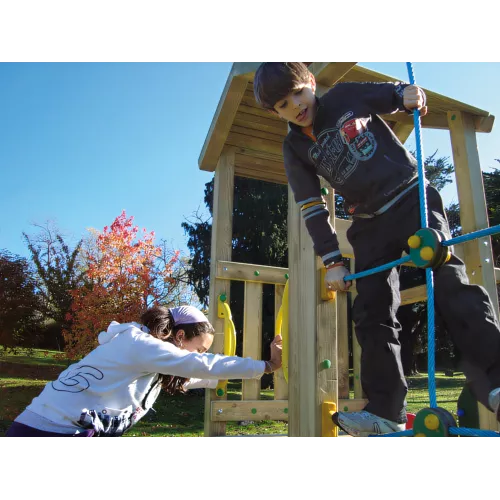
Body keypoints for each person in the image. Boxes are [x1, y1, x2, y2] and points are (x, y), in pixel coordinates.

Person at [253, 61, 500, 436]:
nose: (297, 106)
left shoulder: (343, 97)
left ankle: (497, 377)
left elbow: (388, 94)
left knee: (447, 275)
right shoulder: (295, 147)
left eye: (299, 93)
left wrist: (405, 95)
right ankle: (386, 408)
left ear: (311, 83)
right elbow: (313, 207)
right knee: (371, 309)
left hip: (410, 195)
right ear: (275, 113)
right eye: (284, 105)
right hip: (369, 221)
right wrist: (332, 260)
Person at [5, 305, 283, 439]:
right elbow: (203, 365)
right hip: (48, 431)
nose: (201, 355)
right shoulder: (142, 344)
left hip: (57, 427)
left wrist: (219, 379)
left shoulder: (148, 355)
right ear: (180, 336)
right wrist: (266, 366)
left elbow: (198, 374)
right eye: (200, 348)